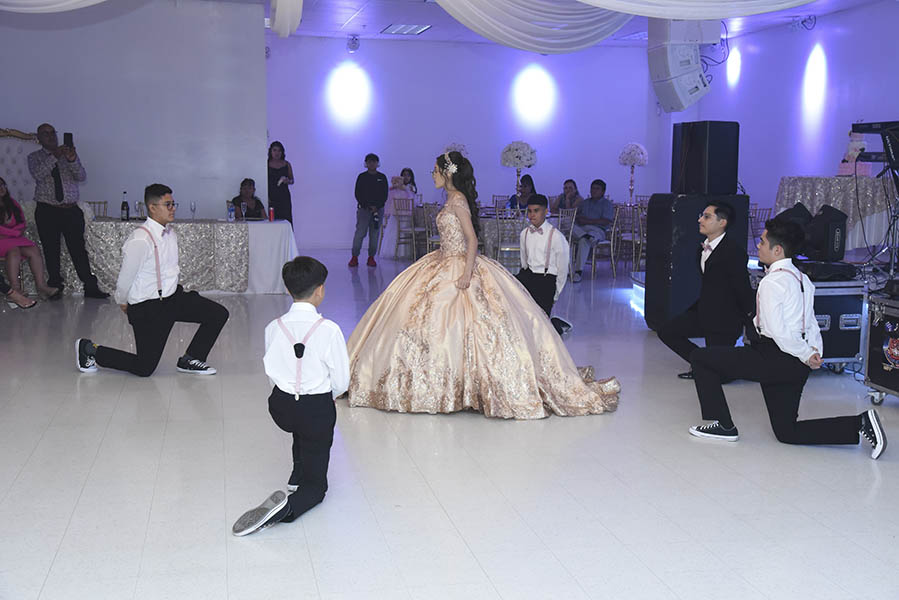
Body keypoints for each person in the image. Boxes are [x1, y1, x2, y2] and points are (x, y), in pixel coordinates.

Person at [347, 151, 619, 419]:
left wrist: (466, 273)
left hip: (459, 264)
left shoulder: (457, 200)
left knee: (465, 321)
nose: (432, 175)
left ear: (447, 173)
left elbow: (472, 240)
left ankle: (462, 383)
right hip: (442, 259)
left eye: (435, 170)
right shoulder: (451, 198)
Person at [688, 219, 887, 460]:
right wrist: (813, 352)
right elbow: (810, 322)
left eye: (762, 242)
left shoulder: (772, 282)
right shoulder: (803, 279)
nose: (758, 246)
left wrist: (806, 353)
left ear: (777, 250)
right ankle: (860, 423)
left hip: (773, 356)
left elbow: (778, 331)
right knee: (787, 431)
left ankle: (723, 425)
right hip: (795, 363)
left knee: (700, 357)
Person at [232, 256, 349, 536]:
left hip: (281, 407)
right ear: (320, 290)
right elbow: (341, 381)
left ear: (288, 290)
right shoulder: (329, 330)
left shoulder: (273, 327)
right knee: (317, 488)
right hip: (316, 409)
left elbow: (272, 370)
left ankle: (297, 474)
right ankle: (285, 509)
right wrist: (324, 397)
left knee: (301, 427)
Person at [75, 183, 229, 377]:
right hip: (149, 307)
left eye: (173, 204)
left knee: (218, 314)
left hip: (173, 298)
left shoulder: (170, 233)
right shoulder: (140, 240)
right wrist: (122, 302)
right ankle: (90, 349)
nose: (173, 209)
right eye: (168, 204)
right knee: (144, 367)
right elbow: (124, 279)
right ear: (152, 207)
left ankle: (190, 359)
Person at [657, 202, 754, 380]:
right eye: (702, 215)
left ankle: (712, 366)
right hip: (704, 310)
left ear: (722, 222)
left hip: (725, 317)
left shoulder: (734, 252)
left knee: (721, 377)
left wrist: (750, 316)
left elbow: (742, 286)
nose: (700, 219)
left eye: (707, 217)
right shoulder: (700, 250)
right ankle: (702, 363)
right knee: (667, 332)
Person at [27, 123, 108, 298]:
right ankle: (55, 286)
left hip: (71, 210)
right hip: (47, 210)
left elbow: (81, 176)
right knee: (51, 250)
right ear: (39, 138)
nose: (51, 136)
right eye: (45, 134)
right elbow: (38, 174)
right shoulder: (34, 157)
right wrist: (54, 157)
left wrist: (71, 159)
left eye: (52, 133)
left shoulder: (67, 155)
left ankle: (90, 286)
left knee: (78, 249)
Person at [516, 194, 571, 336]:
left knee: (541, 328)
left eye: (536, 211)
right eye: (529, 211)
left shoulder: (556, 236)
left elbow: (563, 269)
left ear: (546, 212)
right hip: (528, 276)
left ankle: (556, 324)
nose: (532, 215)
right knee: (521, 319)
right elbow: (524, 261)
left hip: (546, 280)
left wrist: (555, 293)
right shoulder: (524, 234)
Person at [0, 176, 58, 298]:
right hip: (2, 239)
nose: (1, 188)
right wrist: (14, 233)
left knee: (34, 250)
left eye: (2, 185)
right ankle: (15, 289)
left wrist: (15, 232)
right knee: (14, 250)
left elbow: (22, 223)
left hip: (13, 238)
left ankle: (41, 286)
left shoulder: (12, 203)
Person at [570, 179, 614, 283]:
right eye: (592, 188)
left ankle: (578, 272)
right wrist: (580, 219)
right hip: (582, 229)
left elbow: (606, 221)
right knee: (568, 230)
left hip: (597, 230)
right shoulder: (585, 203)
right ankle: (587, 236)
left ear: (603, 191)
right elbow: (576, 216)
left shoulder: (606, 204)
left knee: (583, 241)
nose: (593, 191)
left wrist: (588, 220)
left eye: (597, 189)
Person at [349, 153, 388, 268]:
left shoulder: (382, 177)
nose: (372, 164)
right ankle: (354, 257)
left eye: (374, 161)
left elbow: (384, 194)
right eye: (369, 161)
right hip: (364, 210)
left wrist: (377, 206)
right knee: (360, 233)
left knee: (374, 234)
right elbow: (358, 193)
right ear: (366, 163)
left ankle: (371, 257)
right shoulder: (362, 177)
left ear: (377, 163)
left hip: (378, 210)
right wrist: (367, 205)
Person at [267, 141, 294, 225]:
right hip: (271, 196)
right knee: (273, 220)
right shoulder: (266, 164)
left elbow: (292, 180)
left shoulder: (287, 164)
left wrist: (287, 181)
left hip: (284, 196)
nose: (277, 153)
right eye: (274, 150)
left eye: (279, 150)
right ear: (270, 151)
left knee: (286, 220)